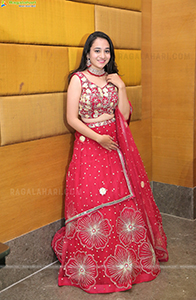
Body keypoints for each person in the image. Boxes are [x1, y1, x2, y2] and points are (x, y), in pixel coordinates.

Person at [52, 31, 168, 294]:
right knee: (92, 200)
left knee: (119, 197)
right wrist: (99, 138)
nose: (102, 56)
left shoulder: (114, 80)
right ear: (88, 53)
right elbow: (72, 118)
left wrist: (123, 87)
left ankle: (122, 263)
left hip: (114, 147)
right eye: (97, 50)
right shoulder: (78, 79)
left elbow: (124, 116)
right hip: (89, 146)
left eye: (107, 51)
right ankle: (91, 266)